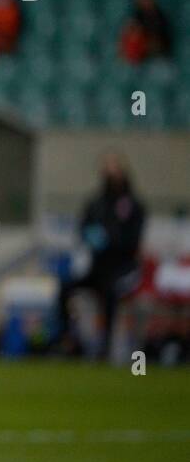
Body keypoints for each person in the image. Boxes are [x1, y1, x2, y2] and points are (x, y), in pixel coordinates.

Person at [57, 152, 146, 357]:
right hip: (98, 267)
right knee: (65, 287)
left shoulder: (134, 206)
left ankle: (105, 348)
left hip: (124, 269)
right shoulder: (95, 204)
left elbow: (132, 241)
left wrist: (110, 240)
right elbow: (83, 230)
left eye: (114, 169)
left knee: (110, 292)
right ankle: (68, 340)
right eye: (106, 169)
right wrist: (93, 238)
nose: (110, 174)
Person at [119, 0, 172, 64]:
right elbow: (127, 38)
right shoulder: (137, 15)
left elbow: (162, 42)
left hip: (159, 55)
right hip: (141, 57)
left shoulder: (160, 16)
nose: (145, 2)